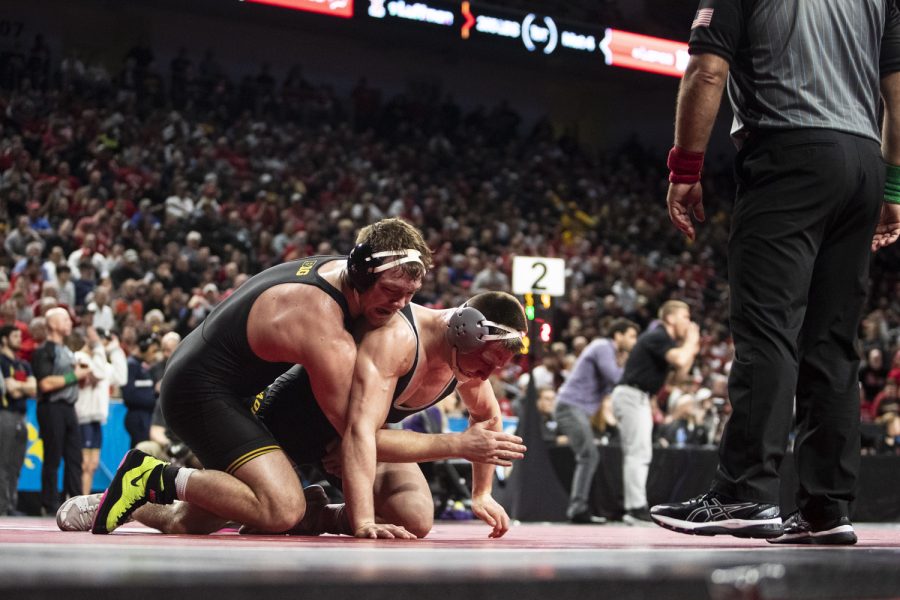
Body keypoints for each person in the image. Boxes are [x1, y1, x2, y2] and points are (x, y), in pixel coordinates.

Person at [652, 1, 900, 545]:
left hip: (790, 152)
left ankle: (744, 491)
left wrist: (685, 168)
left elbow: (707, 69)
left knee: (768, 330)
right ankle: (826, 509)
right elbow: (897, 91)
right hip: (863, 163)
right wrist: (895, 185)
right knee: (833, 344)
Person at [88, 218, 435, 538]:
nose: (401, 304)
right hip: (199, 390)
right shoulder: (322, 321)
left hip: (238, 390)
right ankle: (149, 475)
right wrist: (458, 445)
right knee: (281, 509)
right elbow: (357, 434)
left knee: (187, 522)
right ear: (361, 274)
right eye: (392, 291)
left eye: (410, 293)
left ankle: (112, 502)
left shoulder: (343, 276)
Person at [259, 291, 528, 538]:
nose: (485, 376)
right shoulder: (398, 338)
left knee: (414, 518)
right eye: (487, 362)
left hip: (353, 436)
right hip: (291, 421)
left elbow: (487, 419)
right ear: (465, 330)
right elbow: (359, 434)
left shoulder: (465, 360)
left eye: (497, 367)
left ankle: (318, 516)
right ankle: (281, 508)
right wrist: (363, 522)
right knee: (257, 512)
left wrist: (482, 493)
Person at [612, 300, 699, 524]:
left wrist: (692, 347)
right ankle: (634, 508)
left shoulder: (665, 341)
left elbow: (679, 376)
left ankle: (635, 506)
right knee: (637, 453)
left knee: (641, 453)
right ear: (670, 318)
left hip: (639, 397)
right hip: (632, 394)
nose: (688, 323)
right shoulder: (658, 335)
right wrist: (691, 341)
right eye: (685, 317)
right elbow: (680, 358)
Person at [554, 318, 639, 524]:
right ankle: (578, 508)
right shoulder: (602, 346)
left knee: (589, 456)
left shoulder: (611, 353)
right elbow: (615, 378)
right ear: (617, 335)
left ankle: (579, 507)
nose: (634, 341)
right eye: (631, 336)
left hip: (579, 409)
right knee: (588, 456)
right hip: (570, 406)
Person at [31, 307, 92, 514]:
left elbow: (74, 382)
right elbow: (46, 384)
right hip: (51, 407)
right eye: (64, 319)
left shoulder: (67, 352)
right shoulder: (43, 351)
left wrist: (82, 377)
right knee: (53, 457)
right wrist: (75, 376)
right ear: (53, 324)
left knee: (75, 458)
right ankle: (49, 505)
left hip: (68, 407)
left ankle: (74, 504)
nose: (69, 323)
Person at [71, 327, 115, 494]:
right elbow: (99, 373)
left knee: (92, 464)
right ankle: (77, 500)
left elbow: (119, 376)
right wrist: (98, 348)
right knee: (84, 464)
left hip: (96, 417)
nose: (101, 344)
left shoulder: (98, 359)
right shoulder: (78, 357)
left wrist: (116, 350)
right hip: (84, 416)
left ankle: (83, 499)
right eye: (97, 341)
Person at [0, 324, 36, 515]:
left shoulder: (24, 364)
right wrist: (23, 386)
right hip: (5, 414)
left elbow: (33, 388)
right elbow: (9, 390)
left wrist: (19, 386)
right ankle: (2, 506)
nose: (19, 339)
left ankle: (11, 505)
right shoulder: (2, 362)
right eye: (14, 335)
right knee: (3, 462)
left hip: (22, 416)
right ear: (4, 339)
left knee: (16, 463)